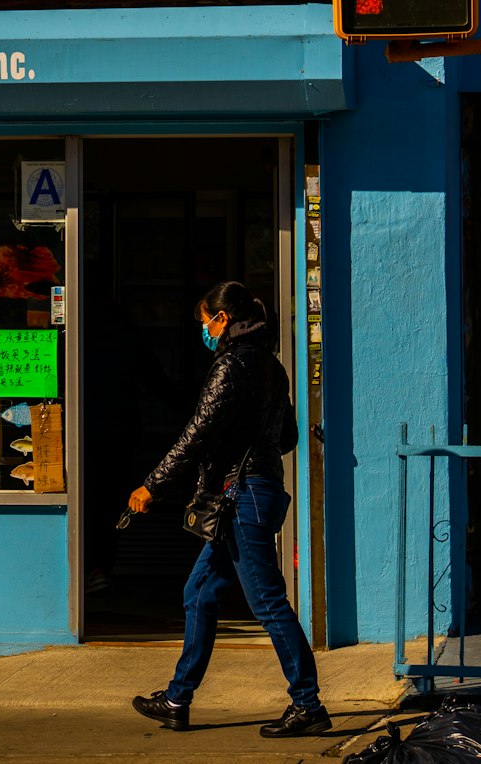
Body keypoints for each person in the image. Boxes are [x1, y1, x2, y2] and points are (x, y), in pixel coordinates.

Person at [126, 280, 330, 739]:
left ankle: (308, 704)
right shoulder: (273, 369)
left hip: (242, 497)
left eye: (205, 320)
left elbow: (196, 434)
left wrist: (151, 485)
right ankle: (177, 699)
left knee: (269, 603)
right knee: (199, 594)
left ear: (223, 319)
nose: (203, 329)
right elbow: (288, 440)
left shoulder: (231, 366)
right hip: (258, 492)